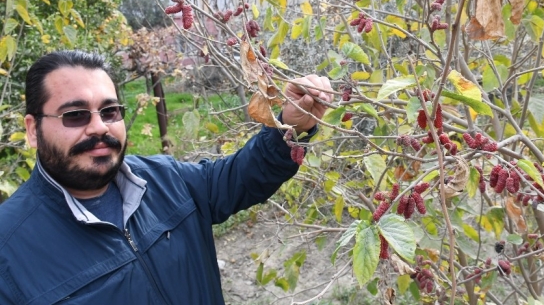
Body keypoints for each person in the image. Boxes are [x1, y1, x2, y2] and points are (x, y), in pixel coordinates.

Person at [0, 50, 332, 305]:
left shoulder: (165, 180)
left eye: (110, 111)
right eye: (75, 115)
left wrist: (290, 125)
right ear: (33, 130)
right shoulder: (9, 249)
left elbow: (241, 177)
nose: (99, 127)